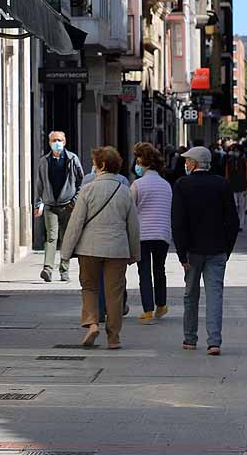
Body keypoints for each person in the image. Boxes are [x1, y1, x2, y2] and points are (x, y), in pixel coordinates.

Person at [60, 146, 140, 349]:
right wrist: (134, 253)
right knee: (115, 293)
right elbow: (133, 225)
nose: (93, 167)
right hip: (117, 250)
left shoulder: (87, 190)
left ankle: (92, 322)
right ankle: (114, 338)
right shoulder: (124, 191)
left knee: (89, 287)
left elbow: (76, 223)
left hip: (89, 249)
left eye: (95, 163)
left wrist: (66, 252)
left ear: (102, 165)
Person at [172, 146, 239, 356]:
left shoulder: (182, 184)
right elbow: (233, 221)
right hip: (217, 248)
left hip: (192, 250)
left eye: (187, 161)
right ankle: (214, 342)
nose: (185, 164)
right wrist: (227, 249)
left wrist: (181, 253)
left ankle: (190, 339)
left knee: (190, 294)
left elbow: (178, 223)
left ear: (193, 163)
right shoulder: (222, 184)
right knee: (215, 295)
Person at [34, 131, 86, 282]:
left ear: (64, 142)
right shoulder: (44, 161)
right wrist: (38, 203)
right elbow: (39, 184)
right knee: (51, 237)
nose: (56, 142)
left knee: (66, 238)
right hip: (50, 205)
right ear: (49, 142)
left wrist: (75, 199)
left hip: (67, 205)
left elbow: (81, 181)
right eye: (53, 140)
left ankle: (64, 269)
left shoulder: (72, 159)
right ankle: (47, 269)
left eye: (59, 140)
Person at [131, 143, 173, 324]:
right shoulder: (165, 185)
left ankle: (148, 309)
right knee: (159, 270)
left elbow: (130, 209)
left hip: (143, 234)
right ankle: (161, 305)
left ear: (143, 162)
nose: (136, 165)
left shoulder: (138, 184)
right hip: (162, 234)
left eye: (138, 160)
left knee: (144, 272)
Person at [225, 143, 247, 230]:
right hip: (233, 186)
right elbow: (227, 174)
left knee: (241, 206)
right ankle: (236, 222)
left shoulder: (244, 161)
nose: (235, 152)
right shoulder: (229, 161)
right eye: (234, 151)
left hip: (242, 186)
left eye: (236, 151)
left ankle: (241, 224)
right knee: (234, 205)